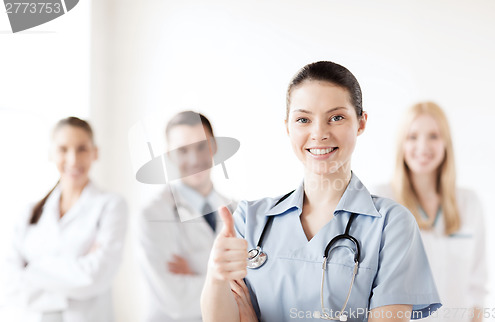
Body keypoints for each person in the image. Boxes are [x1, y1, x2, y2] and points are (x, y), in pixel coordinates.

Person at [201, 61, 442, 322]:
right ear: (287, 127)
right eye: (303, 119)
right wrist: (216, 275)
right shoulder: (249, 219)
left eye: (336, 117)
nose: (319, 133)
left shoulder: (391, 225)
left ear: (361, 123)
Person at [3, 117, 128, 322]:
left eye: (82, 149)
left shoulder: (111, 206)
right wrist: (75, 270)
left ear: (95, 153)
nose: (73, 160)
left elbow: (95, 277)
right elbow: (8, 282)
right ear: (51, 154)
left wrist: (31, 268)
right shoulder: (29, 213)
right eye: (63, 149)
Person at [373, 102, 487, 322]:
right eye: (412, 137)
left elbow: (477, 286)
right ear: (401, 145)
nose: (423, 146)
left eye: (433, 136)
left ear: (446, 143)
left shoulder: (469, 202)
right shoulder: (382, 200)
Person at [138, 111, 236, 322]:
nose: (194, 159)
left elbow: (256, 286)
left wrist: (197, 272)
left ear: (215, 147)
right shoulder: (152, 214)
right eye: (182, 150)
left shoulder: (238, 210)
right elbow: (177, 301)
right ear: (170, 156)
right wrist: (230, 281)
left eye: (202, 146)